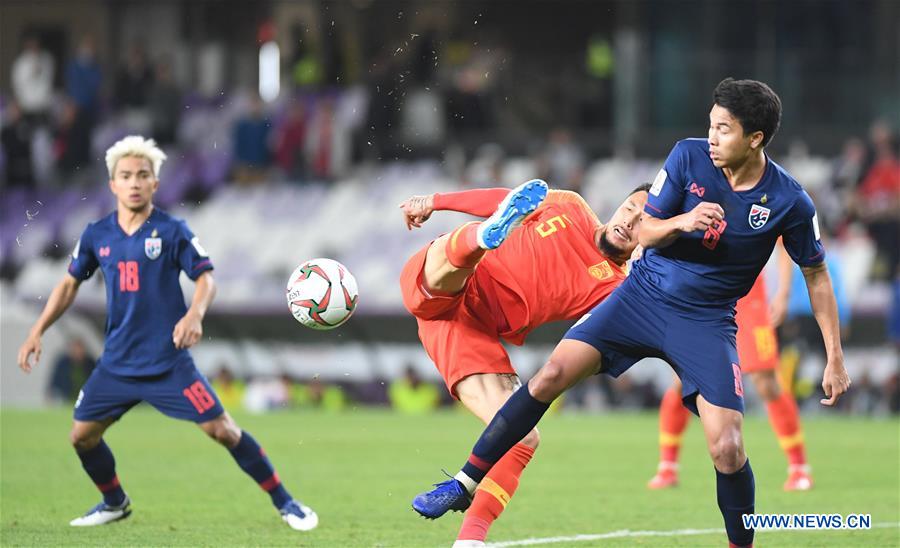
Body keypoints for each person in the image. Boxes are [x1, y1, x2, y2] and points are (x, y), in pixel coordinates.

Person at [413, 78, 850, 548]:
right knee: (550, 376)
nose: (711, 137)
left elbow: (817, 274)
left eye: (723, 129)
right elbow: (648, 230)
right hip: (640, 297)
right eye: (710, 124)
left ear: (755, 138)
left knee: (728, 447)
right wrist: (684, 221)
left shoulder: (790, 201)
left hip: (706, 321)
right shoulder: (687, 156)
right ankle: (463, 482)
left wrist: (835, 356)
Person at [16, 136, 317, 531]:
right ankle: (115, 502)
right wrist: (37, 330)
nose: (135, 182)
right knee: (81, 437)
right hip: (117, 363)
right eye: (126, 175)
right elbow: (69, 284)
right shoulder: (96, 235)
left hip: (168, 361)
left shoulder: (172, 230)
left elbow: (206, 278)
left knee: (223, 430)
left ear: (155, 184)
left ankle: (287, 502)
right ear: (113, 184)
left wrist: (195, 313)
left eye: (144, 175)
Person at [399, 179, 649, 546]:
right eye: (630, 208)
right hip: (454, 277)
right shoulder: (571, 206)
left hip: (470, 330)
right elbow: (500, 199)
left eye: (644, 220)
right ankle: (484, 237)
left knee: (522, 437)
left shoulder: (616, 290)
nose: (630, 221)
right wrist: (435, 201)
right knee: (452, 265)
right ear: (619, 204)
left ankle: (469, 540)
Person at [648, 245, 815, 492]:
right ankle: (667, 466)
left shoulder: (760, 204)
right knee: (682, 378)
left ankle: (799, 468)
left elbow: (783, 242)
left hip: (749, 295)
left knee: (766, 381)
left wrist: (784, 292)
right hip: (701, 291)